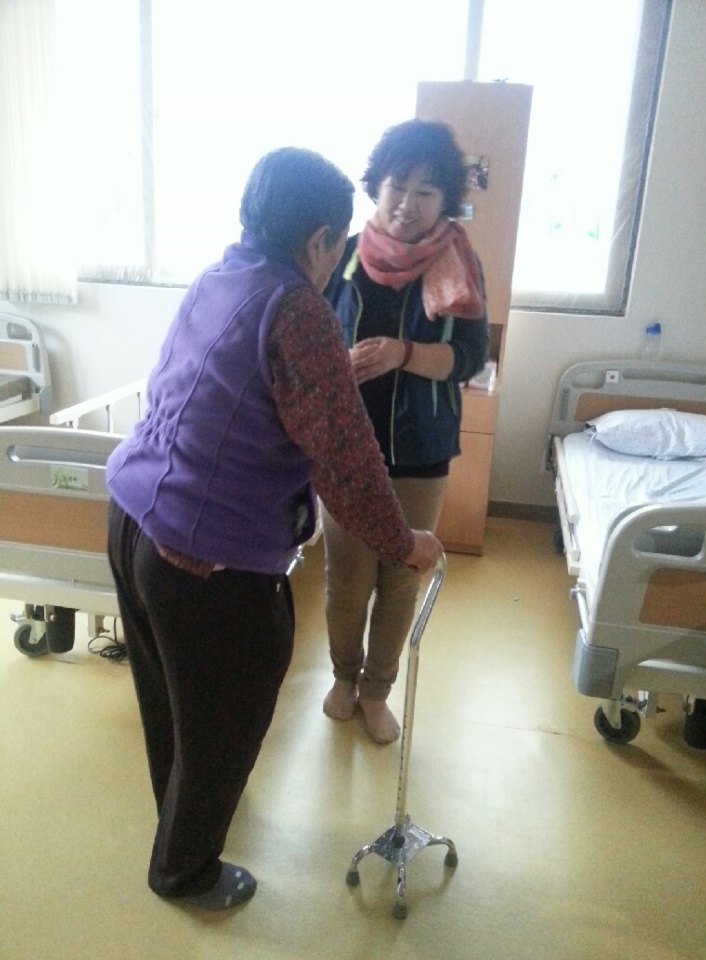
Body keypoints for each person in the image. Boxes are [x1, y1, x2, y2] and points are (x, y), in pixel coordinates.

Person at [105, 146, 443, 910]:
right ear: (319, 239)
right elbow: (347, 461)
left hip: (131, 515)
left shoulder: (220, 276)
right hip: (200, 556)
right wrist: (402, 543)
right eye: (337, 246)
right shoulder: (299, 309)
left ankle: (179, 822)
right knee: (229, 716)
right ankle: (185, 871)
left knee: (173, 704)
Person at [321, 119, 489, 744]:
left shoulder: (459, 265)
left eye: (426, 191)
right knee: (347, 582)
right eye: (397, 186)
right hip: (344, 450)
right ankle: (343, 675)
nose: (407, 204)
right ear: (377, 186)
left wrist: (404, 354)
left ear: (446, 200)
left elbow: (469, 357)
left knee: (399, 578)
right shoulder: (340, 256)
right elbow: (304, 333)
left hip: (421, 449)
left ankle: (376, 691)